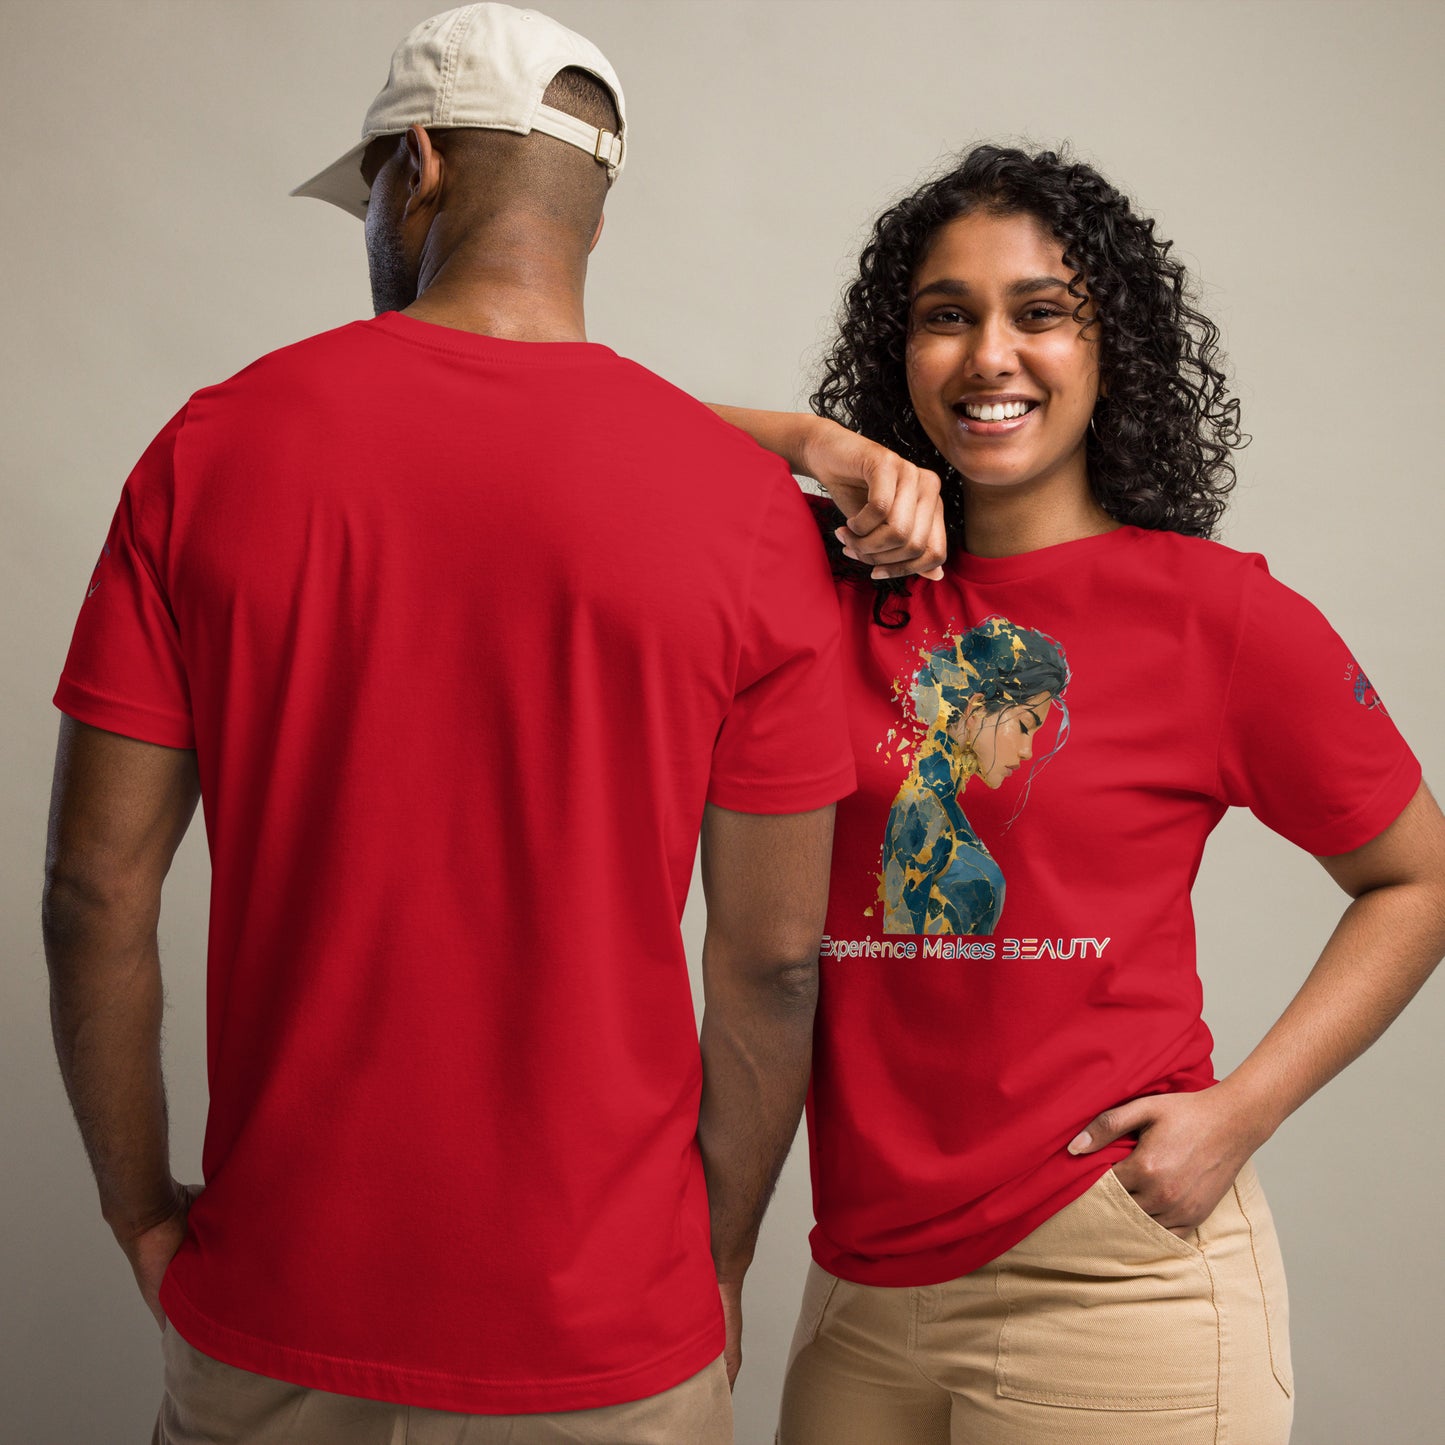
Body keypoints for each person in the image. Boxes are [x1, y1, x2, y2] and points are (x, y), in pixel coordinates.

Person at [41, 6, 855, 1443]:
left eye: (366, 190)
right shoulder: (745, 514)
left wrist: (140, 1214)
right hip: (607, 1335)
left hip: (279, 1301)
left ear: (413, 169)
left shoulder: (211, 450)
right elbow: (773, 961)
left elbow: (92, 890)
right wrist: (715, 1261)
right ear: (596, 207)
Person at [713, 143, 1445, 1444]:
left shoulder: (1213, 617)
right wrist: (813, 444)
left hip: (1110, 1276)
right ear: (899, 349)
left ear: (1113, 349)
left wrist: (1241, 1111)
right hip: (859, 1282)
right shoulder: (819, 591)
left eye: (1040, 312)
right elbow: (584, 433)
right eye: (946, 316)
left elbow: (1417, 877)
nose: (989, 355)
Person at [881, 616, 1070, 935]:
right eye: (1024, 726)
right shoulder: (922, 807)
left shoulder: (942, 803)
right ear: (976, 709)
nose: (1027, 751)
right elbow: (900, 947)